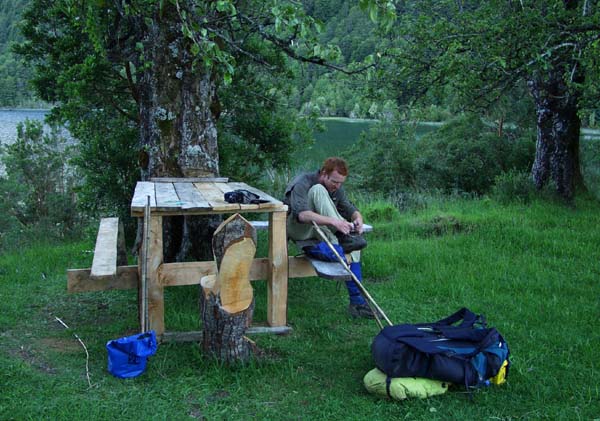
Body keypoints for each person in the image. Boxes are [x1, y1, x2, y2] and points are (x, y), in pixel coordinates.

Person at [283, 157, 374, 318]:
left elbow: (349, 207)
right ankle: (341, 237)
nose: (337, 186)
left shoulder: (336, 187)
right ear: (324, 173)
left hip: (320, 229)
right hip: (299, 229)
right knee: (318, 190)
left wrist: (357, 218)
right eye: (334, 182)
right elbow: (302, 215)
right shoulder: (304, 182)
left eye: (341, 183)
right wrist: (336, 222)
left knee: (354, 247)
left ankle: (358, 304)